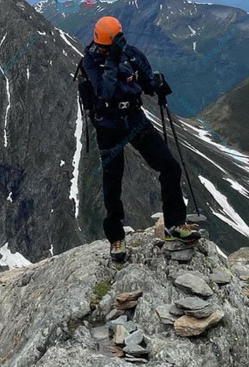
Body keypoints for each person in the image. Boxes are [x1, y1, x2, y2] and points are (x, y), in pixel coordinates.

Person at [82, 15, 201, 263]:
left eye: (110, 46)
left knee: (169, 166)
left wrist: (157, 84)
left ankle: (175, 224)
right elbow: (103, 92)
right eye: (106, 47)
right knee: (112, 182)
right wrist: (113, 59)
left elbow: (146, 81)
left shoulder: (131, 55)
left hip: (134, 118)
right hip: (108, 125)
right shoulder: (90, 62)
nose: (107, 50)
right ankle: (116, 237)